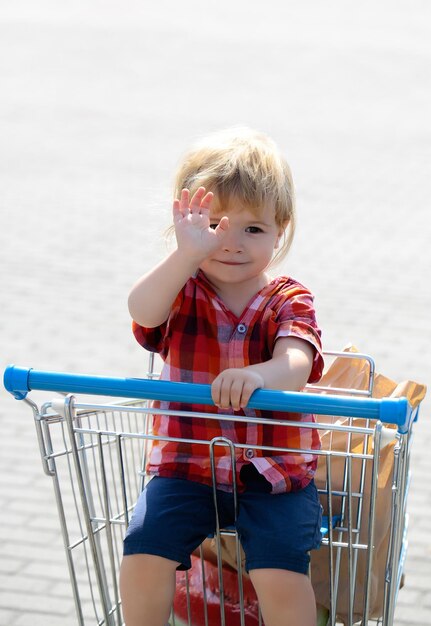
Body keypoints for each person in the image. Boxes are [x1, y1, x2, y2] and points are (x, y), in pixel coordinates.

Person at [120, 127, 325, 626]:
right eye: (213, 226)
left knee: (278, 571)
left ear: (281, 230)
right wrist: (186, 254)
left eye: (253, 229)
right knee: (144, 549)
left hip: (273, 471)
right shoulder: (181, 289)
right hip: (187, 465)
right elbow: (142, 311)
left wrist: (259, 374)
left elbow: (296, 362)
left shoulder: (287, 298)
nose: (230, 243)